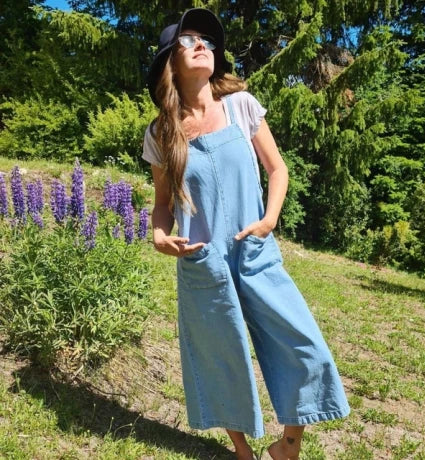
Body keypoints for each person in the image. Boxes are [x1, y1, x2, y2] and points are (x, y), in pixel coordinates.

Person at [143, 8, 350, 460]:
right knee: (220, 358)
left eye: (206, 39)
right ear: (170, 62)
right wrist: (159, 236)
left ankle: (288, 445)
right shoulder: (161, 133)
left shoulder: (241, 105)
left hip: (254, 250)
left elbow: (278, 170)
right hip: (204, 261)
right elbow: (162, 204)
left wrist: (270, 219)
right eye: (187, 40)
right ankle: (242, 451)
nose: (202, 44)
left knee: (302, 344)